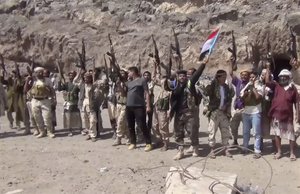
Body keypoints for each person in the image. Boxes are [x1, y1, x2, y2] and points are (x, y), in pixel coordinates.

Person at [171, 57, 208, 160]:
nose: (182, 77)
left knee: (192, 132)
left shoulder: (189, 84)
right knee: (178, 133)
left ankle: (195, 147)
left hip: (189, 112)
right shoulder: (174, 86)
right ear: (177, 77)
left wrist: (203, 64)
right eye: (180, 76)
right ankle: (180, 152)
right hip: (178, 113)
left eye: (184, 76)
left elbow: (197, 75)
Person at [266, 68, 299, 161]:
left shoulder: (292, 88)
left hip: (288, 116)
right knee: (277, 134)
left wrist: (298, 114)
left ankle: (292, 153)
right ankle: (279, 152)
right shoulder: (276, 86)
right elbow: (267, 81)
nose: (283, 79)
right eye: (281, 77)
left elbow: (296, 102)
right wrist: (268, 68)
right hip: (276, 114)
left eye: (285, 77)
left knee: (291, 135)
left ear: (288, 78)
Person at [204, 69, 234, 158]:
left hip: (224, 112)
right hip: (214, 112)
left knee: (225, 131)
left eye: (225, 76)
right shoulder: (213, 86)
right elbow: (207, 92)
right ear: (218, 77)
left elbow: (230, 97)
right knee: (212, 131)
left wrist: (227, 105)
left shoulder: (226, 87)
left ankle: (225, 149)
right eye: (222, 77)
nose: (224, 78)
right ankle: (212, 150)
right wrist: (214, 81)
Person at [126, 66, 152, 152]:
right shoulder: (129, 82)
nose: (128, 74)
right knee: (130, 125)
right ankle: (133, 142)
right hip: (129, 106)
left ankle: (148, 143)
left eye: (129, 72)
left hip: (139, 106)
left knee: (142, 125)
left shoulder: (142, 80)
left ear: (133, 72)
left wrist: (148, 106)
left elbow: (147, 93)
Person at [240, 71, 264, 158]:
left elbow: (258, 98)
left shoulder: (260, 87)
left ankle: (257, 150)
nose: (251, 79)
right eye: (250, 77)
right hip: (246, 112)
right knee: (246, 132)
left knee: (256, 132)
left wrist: (253, 88)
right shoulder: (246, 86)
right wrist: (246, 93)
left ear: (256, 78)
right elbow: (242, 98)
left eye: (253, 77)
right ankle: (245, 148)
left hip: (256, 112)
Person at [29, 67, 55, 138]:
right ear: (35, 73)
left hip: (45, 100)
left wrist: (53, 99)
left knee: (47, 117)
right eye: (38, 72)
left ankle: (49, 132)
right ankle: (42, 132)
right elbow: (27, 89)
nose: (40, 73)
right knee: (37, 117)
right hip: (35, 100)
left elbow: (52, 90)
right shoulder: (33, 80)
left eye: (41, 72)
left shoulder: (47, 80)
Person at [229, 58, 250, 145]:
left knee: (246, 128)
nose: (244, 76)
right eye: (242, 75)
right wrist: (231, 63)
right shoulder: (238, 82)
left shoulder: (250, 84)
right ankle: (235, 141)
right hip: (237, 108)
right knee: (233, 126)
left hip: (246, 109)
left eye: (245, 75)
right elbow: (231, 73)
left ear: (248, 76)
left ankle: (246, 143)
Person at [57, 71, 82, 136]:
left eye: (72, 75)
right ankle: (69, 130)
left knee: (77, 115)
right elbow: (59, 89)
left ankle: (80, 129)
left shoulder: (77, 84)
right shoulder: (66, 84)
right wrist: (59, 81)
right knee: (68, 116)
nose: (71, 77)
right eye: (70, 75)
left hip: (75, 102)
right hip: (68, 102)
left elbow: (81, 91)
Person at [112, 69, 129, 146]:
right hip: (119, 104)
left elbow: (124, 93)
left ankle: (119, 138)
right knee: (120, 121)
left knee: (121, 121)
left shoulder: (128, 83)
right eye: (120, 73)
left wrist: (119, 85)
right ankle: (127, 137)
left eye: (123, 73)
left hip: (125, 104)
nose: (122, 75)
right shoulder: (118, 82)